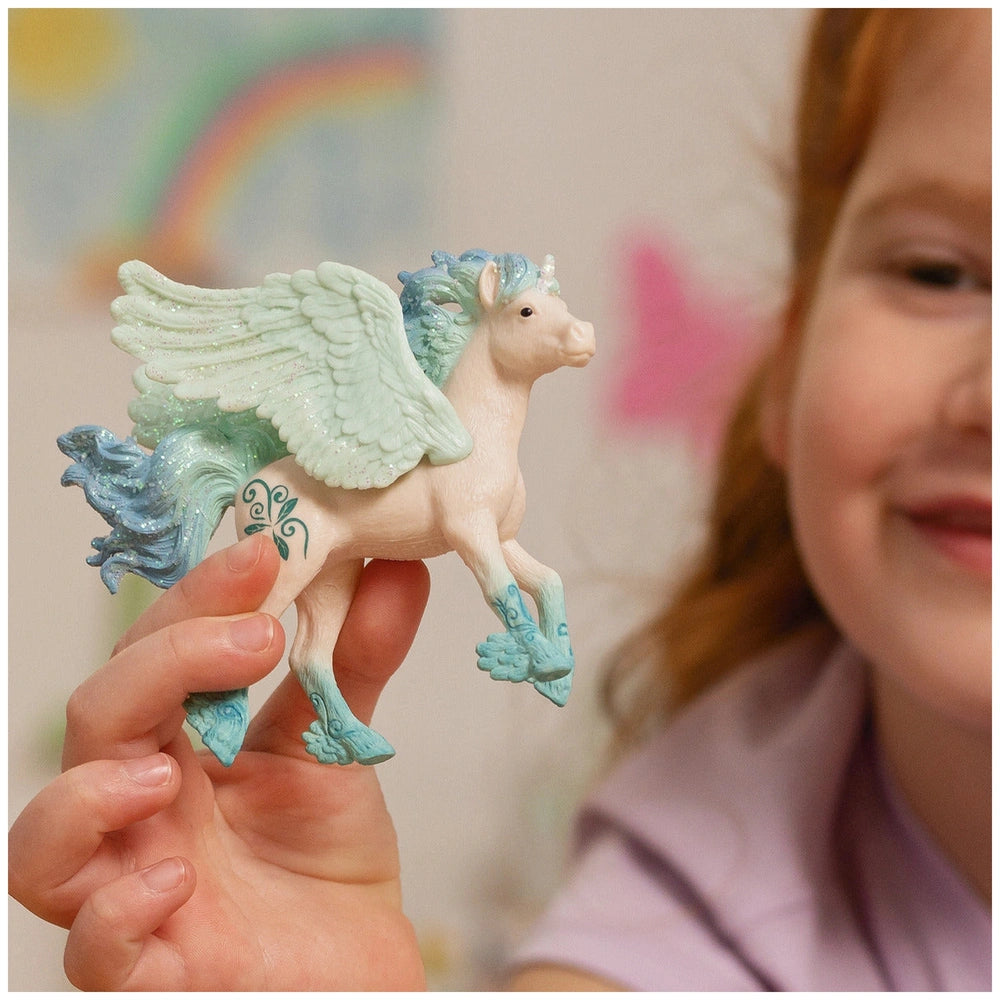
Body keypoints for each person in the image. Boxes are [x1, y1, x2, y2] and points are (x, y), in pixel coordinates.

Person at [8, 7, 990, 990]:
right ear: (787, 359)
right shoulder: (664, 920)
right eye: (938, 272)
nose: (987, 394)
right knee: (296, 623)